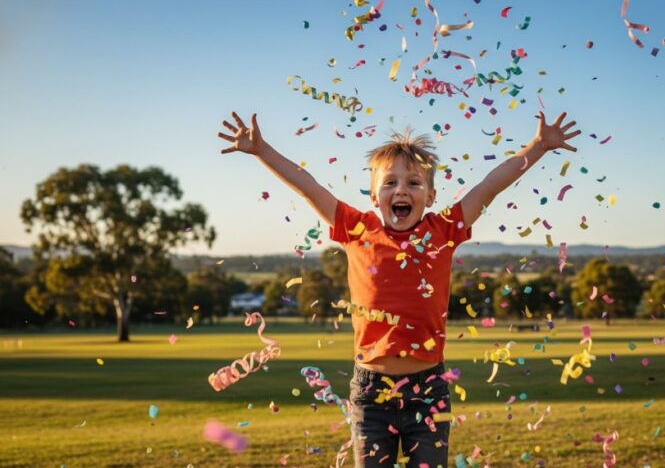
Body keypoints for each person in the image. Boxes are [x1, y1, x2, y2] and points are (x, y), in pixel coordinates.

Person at [218, 110, 580, 468]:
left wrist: (538, 145)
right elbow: (308, 186)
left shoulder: (444, 230)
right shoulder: (356, 229)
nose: (401, 190)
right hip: (371, 392)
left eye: (413, 183)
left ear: (431, 195)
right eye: (389, 183)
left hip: (429, 390)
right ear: (374, 196)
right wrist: (262, 150)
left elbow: (489, 186)